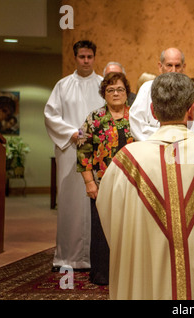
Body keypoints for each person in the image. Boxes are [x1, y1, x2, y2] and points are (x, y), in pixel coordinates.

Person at [96, 72, 194, 300]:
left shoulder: (125, 161)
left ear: (152, 111)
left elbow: (110, 219)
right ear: (192, 111)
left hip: (146, 279)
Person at [44, 40, 104, 271]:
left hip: (98, 152)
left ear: (94, 57)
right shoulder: (63, 85)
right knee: (70, 203)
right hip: (70, 150)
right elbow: (51, 115)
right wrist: (72, 133)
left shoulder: (102, 84)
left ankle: (95, 257)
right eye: (82, 57)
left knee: (96, 202)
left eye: (90, 56)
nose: (86, 61)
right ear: (75, 58)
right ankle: (67, 257)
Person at [77, 72, 134, 285]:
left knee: (130, 229)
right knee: (102, 230)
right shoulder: (93, 118)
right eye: (110, 90)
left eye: (120, 89)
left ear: (127, 92)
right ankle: (103, 273)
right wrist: (89, 182)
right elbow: (82, 151)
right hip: (102, 185)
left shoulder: (136, 116)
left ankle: (130, 274)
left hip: (133, 185)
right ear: (104, 94)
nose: (116, 93)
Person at [129, 47, 194, 141]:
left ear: (183, 67)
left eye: (177, 66)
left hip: (184, 147)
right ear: (160, 66)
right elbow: (136, 123)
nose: (173, 70)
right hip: (154, 146)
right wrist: (163, 140)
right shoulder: (147, 88)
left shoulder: (192, 88)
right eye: (169, 65)